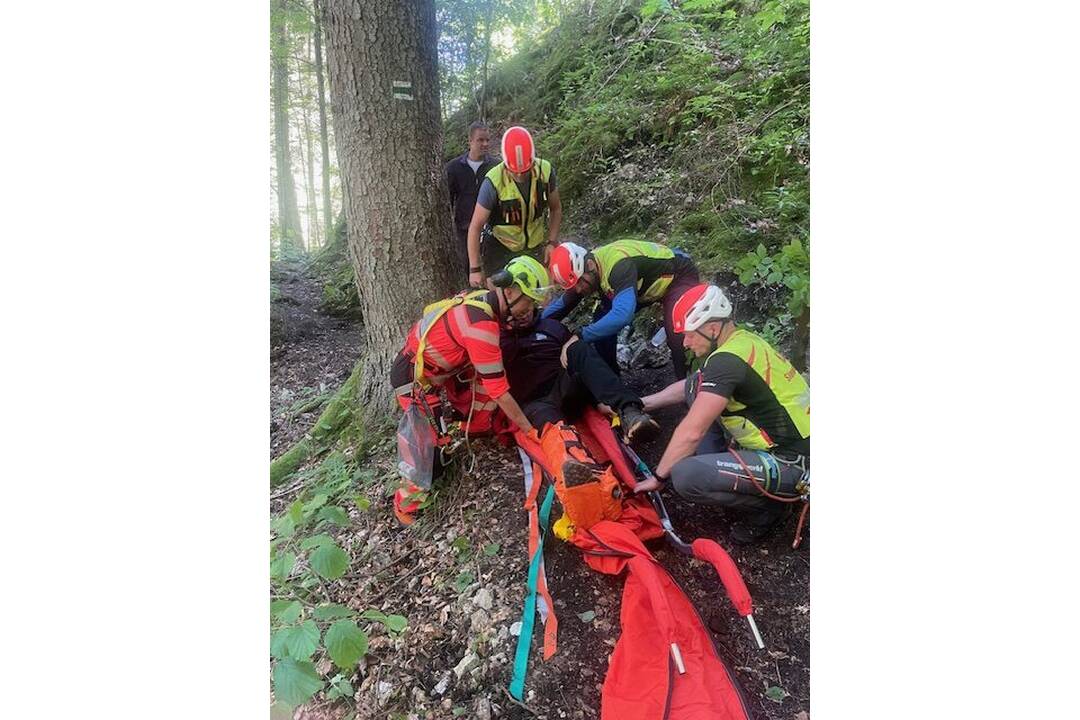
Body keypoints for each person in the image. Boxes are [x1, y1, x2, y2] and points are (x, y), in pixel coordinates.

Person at [633, 283, 810, 544]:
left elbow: (691, 432)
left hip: (793, 463)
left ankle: (769, 509)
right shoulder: (743, 342)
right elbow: (688, 387)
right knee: (698, 389)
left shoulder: (726, 362)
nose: (685, 342)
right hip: (798, 444)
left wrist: (657, 477)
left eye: (691, 334)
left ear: (712, 328)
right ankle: (727, 465)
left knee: (685, 475)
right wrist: (639, 404)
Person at [389, 256, 551, 524]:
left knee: (482, 385)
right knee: (430, 452)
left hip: (437, 370)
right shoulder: (481, 326)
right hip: (413, 379)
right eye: (528, 301)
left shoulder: (482, 299)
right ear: (509, 292)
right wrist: (529, 430)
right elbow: (499, 390)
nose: (529, 310)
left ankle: (472, 427)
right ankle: (406, 506)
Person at [499, 300, 659, 444]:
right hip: (535, 403)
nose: (525, 316)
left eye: (527, 309)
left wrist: (597, 401)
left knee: (578, 348)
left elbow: (584, 363)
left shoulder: (551, 326)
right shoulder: (496, 340)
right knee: (556, 435)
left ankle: (630, 413)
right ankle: (579, 463)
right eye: (519, 313)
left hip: (564, 387)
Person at [545, 239, 700, 379]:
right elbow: (562, 305)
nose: (578, 290)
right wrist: (535, 321)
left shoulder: (618, 266)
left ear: (590, 266)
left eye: (579, 283)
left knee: (678, 333)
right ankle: (613, 385)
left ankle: (691, 385)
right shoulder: (589, 271)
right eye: (574, 287)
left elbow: (623, 315)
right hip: (643, 286)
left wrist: (579, 336)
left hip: (677, 276)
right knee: (601, 325)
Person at [466, 126, 562, 288]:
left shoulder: (545, 172)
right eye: (514, 171)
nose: (519, 175)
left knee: (539, 296)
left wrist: (552, 242)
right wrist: (474, 268)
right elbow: (475, 227)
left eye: (524, 171)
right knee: (503, 302)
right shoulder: (493, 181)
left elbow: (556, 208)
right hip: (500, 249)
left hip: (534, 247)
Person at [446, 121, 497, 283]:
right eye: (480, 140)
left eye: (487, 140)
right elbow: (448, 200)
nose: (485, 144)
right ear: (470, 140)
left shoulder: (496, 166)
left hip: (493, 229)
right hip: (465, 229)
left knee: (494, 272)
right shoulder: (453, 168)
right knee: (471, 271)